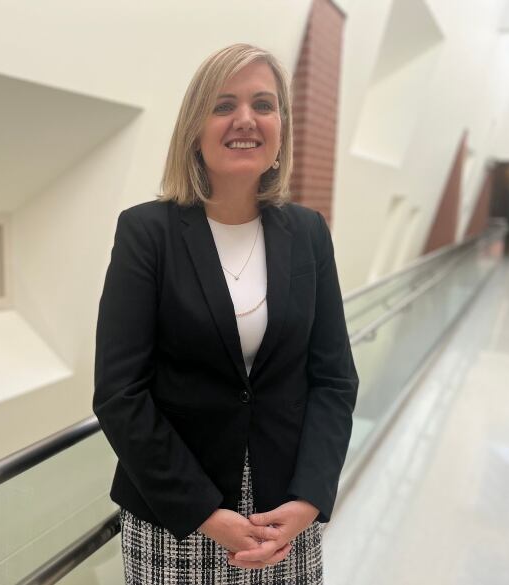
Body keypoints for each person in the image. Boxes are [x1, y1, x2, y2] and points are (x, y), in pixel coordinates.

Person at [93, 43, 359, 585]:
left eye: (263, 104)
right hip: (177, 518)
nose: (245, 120)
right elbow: (120, 393)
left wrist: (310, 496)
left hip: (282, 518)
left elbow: (334, 379)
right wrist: (204, 514)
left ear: (281, 127)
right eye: (223, 105)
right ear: (195, 128)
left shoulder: (308, 233)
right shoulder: (148, 234)